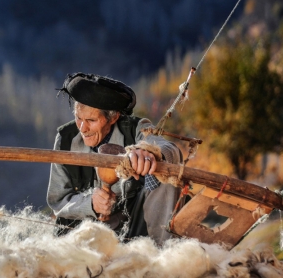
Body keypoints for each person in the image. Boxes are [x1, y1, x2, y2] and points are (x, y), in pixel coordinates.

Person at [47, 72, 183, 245]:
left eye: (91, 120)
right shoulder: (65, 139)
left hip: (132, 232)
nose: (82, 127)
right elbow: (57, 201)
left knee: (164, 173)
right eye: (78, 118)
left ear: (113, 118)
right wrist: (90, 204)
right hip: (81, 237)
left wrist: (148, 151)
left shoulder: (135, 129)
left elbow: (170, 149)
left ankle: (160, 253)